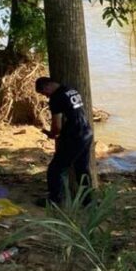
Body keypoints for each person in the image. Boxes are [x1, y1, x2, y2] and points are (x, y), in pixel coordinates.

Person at [35, 77, 94, 206]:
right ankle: (88, 200)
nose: (46, 96)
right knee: (82, 169)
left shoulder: (56, 98)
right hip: (87, 132)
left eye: (44, 93)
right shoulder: (71, 90)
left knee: (56, 169)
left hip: (75, 136)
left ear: (47, 86)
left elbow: (57, 125)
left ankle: (55, 200)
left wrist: (52, 134)